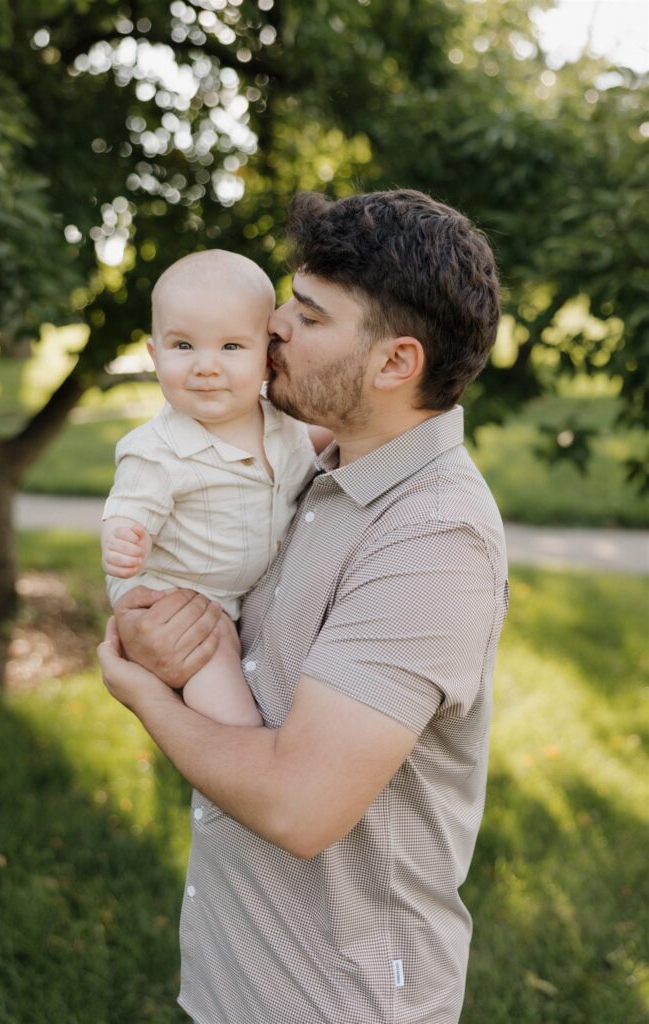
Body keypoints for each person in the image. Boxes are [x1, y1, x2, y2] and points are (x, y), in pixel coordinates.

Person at [98, 189, 509, 1024]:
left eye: (310, 317)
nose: (275, 325)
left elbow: (298, 805)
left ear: (395, 364)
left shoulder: (432, 539)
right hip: (236, 972)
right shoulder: (312, 463)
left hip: (336, 996)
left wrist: (140, 692)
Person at [100, 249, 322, 725]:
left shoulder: (282, 422)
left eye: (230, 347)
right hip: (185, 602)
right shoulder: (156, 451)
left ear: (267, 358)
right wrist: (121, 537)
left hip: (246, 593)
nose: (205, 366)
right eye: (183, 347)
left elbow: (315, 447)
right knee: (223, 694)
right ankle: (247, 753)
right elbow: (128, 509)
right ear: (154, 354)